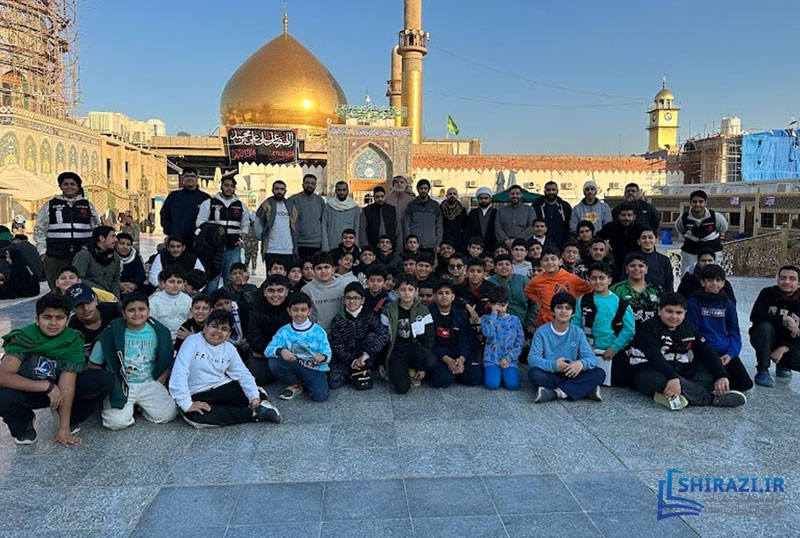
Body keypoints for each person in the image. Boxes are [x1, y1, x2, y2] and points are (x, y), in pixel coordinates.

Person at [0, 294, 113, 445]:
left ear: (67, 321)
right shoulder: (24, 337)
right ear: (37, 319)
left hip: (59, 391)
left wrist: (64, 429)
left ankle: (68, 417)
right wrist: (47, 386)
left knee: (102, 380)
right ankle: (24, 423)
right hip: (28, 388)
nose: (53, 323)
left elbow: (67, 386)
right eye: (47, 317)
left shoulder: (72, 339)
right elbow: (4, 376)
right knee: (3, 395)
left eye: (59, 318)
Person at [628, 292, 746, 409]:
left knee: (710, 370)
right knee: (658, 380)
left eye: (679, 312)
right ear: (659, 311)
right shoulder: (648, 328)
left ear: (685, 314)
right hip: (648, 370)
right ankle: (712, 399)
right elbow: (655, 358)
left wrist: (721, 375)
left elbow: (707, 352)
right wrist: (672, 378)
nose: (674, 316)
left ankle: (677, 393)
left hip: (680, 369)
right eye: (669, 311)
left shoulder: (688, 328)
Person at [169, 309, 281, 428]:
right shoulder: (192, 342)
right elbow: (179, 372)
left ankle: (257, 406)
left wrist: (253, 397)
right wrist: (187, 404)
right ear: (205, 327)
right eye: (214, 326)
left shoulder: (229, 348)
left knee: (258, 394)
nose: (218, 332)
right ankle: (253, 414)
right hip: (195, 392)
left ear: (228, 334)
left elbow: (242, 374)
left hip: (219, 387)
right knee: (196, 416)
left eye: (224, 329)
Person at [89, 292, 179, 430]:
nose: (137, 314)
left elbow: (166, 359)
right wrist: (108, 386)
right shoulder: (111, 333)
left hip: (148, 382)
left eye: (141, 309)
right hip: (121, 384)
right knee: (115, 423)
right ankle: (127, 409)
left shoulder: (160, 332)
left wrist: (159, 383)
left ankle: (139, 407)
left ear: (148, 311)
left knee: (168, 415)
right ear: (123, 313)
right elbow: (94, 364)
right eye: (131, 310)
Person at [685, 264, 753, 392]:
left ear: (723, 283)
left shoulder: (728, 304)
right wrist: (706, 352)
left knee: (745, 384)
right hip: (704, 351)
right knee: (704, 383)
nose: (714, 283)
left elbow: (734, 332)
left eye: (718, 280)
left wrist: (730, 354)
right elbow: (692, 332)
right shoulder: (693, 303)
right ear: (702, 282)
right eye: (710, 280)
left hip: (725, 352)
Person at [528, 292, 605, 402]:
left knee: (599, 373)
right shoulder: (542, 332)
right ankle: (584, 389)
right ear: (552, 311)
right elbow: (532, 359)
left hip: (572, 372)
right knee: (534, 374)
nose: (563, 311)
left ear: (572, 313)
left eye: (568, 308)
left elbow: (591, 358)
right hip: (551, 372)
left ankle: (556, 393)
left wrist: (580, 364)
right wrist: (554, 365)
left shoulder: (578, 332)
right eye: (559, 307)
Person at [572, 263, 635, 387]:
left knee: (620, 382)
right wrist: (584, 346)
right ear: (588, 280)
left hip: (612, 351)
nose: (598, 282)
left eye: (602, 278)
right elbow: (575, 325)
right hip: (586, 350)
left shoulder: (621, 303)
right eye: (593, 278)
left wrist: (614, 348)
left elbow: (629, 330)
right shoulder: (582, 300)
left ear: (609, 280)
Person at [34, 171, 101, 288]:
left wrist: (93, 248)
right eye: (66, 184)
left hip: (81, 254)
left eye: (72, 184)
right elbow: (40, 229)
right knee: (58, 288)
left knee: (81, 286)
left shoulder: (87, 205)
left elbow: (97, 228)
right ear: (60, 187)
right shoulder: (50, 205)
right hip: (55, 255)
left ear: (78, 187)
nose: (69, 187)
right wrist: (42, 252)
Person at [266, 292, 331, 402]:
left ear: (309, 311)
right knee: (274, 362)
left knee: (320, 396)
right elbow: (268, 350)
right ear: (289, 311)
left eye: (303, 310)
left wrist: (323, 357)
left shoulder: (318, 331)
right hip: (294, 365)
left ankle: (307, 383)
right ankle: (295, 384)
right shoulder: (284, 331)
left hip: (314, 368)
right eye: (295, 310)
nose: (299, 314)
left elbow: (327, 352)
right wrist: (280, 350)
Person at [379, 274, 436, 394]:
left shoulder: (423, 310)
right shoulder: (388, 309)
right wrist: (381, 362)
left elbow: (429, 337)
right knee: (402, 389)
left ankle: (414, 368)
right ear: (397, 292)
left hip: (414, 347)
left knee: (430, 360)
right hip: (396, 349)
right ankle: (402, 370)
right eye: (403, 289)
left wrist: (422, 368)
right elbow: (382, 336)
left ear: (416, 292)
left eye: (410, 289)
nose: (407, 293)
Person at [329, 282, 390, 390]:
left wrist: (367, 354)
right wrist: (352, 361)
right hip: (347, 358)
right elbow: (337, 345)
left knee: (372, 336)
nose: (352, 301)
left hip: (365, 356)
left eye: (356, 298)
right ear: (344, 300)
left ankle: (363, 368)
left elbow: (384, 334)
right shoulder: (337, 320)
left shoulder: (369, 315)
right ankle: (354, 370)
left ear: (362, 300)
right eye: (348, 298)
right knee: (334, 382)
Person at [195, 176, 251, 289]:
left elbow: (245, 224)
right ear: (221, 186)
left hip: (233, 247)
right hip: (214, 248)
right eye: (226, 185)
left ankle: (230, 299)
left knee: (232, 278)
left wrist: (243, 236)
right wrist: (213, 228)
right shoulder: (209, 203)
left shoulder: (241, 206)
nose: (229, 188)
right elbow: (199, 222)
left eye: (232, 186)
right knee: (213, 277)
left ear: (235, 188)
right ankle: (210, 299)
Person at [749, 265, 800, 387]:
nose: (786, 282)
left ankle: (783, 363)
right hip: (766, 338)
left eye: (792, 279)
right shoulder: (768, 293)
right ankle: (763, 369)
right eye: (783, 278)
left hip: (790, 344)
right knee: (764, 327)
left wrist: (785, 348)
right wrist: (784, 318)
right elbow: (755, 316)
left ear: (799, 283)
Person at [429, 280, 483, 388]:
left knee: (475, 378)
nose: (444, 296)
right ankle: (451, 372)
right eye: (440, 293)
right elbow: (430, 343)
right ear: (435, 297)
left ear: (453, 297)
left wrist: (461, 360)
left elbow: (465, 340)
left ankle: (457, 370)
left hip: (459, 353)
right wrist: (448, 360)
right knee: (442, 380)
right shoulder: (428, 314)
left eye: (447, 293)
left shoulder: (461, 314)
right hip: (440, 355)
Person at [524, 246, 592, 327]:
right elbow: (528, 290)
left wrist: (576, 297)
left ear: (560, 261)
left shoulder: (572, 278)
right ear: (541, 263)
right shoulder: (537, 280)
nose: (549, 262)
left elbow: (589, 288)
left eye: (553, 259)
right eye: (546, 260)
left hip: (568, 322)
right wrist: (540, 301)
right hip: (544, 323)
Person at [247, 275, 292, 386]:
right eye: (271, 291)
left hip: (289, 350)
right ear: (264, 292)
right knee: (259, 378)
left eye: (280, 290)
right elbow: (254, 338)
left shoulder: (293, 307)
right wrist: (274, 351)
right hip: (264, 350)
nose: (275, 295)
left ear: (287, 292)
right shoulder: (256, 308)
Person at [301, 251, 357, 332]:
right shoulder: (306, 290)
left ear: (333, 269)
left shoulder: (344, 285)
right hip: (318, 333)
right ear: (314, 270)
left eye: (326, 267)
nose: (323, 271)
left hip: (342, 332)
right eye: (319, 268)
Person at [675, 189, 729, 273]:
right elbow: (680, 229)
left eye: (701, 202)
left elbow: (723, 228)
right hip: (690, 251)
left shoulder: (716, 217)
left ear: (705, 203)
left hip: (713, 249)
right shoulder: (683, 218)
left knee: (713, 274)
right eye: (694, 202)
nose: (697, 204)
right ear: (690, 203)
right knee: (689, 274)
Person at [66, 283, 122, 360]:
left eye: (88, 302)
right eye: (79, 305)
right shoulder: (71, 328)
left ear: (95, 299)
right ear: (72, 308)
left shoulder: (116, 310)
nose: (85, 308)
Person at [481, 286, 524, 390]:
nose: (500, 308)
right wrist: (493, 315)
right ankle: (493, 373)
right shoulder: (486, 319)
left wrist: (509, 358)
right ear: (490, 304)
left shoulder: (515, 320)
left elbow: (520, 341)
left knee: (513, 385)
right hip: (492, 358)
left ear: (507, 304)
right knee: (492, 384)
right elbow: (488, 333)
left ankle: (504, 374)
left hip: (509, 359)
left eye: (503, 305)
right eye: (496, 305)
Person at [160, 167, 210, 251]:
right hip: (177, 240)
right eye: (187, 176)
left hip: (197, 240)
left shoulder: (205, 198)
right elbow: (164, 214)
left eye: (192, 176)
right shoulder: (174, 197)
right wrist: (170, 231)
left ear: (197, 178)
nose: (190, 178)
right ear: (182, 178)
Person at [487, 254, 537, 336]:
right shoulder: (489, 283)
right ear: (495, 269)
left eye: (507, 264)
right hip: (499, 329)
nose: (504, 267)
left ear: (512, 268)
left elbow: (533, 304)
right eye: (500, 264)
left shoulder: (523, 280)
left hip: (524, 326)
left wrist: (530, 323)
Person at [610, 253, 662, 328]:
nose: (637, 268)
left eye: (641, 266)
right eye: (632, 266)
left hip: (652, 332)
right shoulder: (616, 289)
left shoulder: (657, 290)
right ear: (626, 269)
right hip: (625, 332)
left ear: (646, 269)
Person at [256, 179, 298, 270]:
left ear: (285, 191)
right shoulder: (266, 205)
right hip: (271, 249)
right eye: (277, 189)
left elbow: (295, 224)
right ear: (272, 190)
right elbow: (258, 220)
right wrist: (261, 236)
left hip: (288, 250)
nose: (279, 191)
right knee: (272, 276)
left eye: (282, 189)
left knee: (287, 276)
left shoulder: (290, 206)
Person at [72, 225, 121, 299]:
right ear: (102, 238)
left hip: (108, 298)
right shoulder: (84, 255)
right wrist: (102, 292)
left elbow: (115, 280)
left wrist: (115, 299)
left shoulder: (115, 256)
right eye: (112, 236)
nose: (116, 240)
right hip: (88, 297)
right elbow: (77, 279)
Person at [598, 202, 644, 274]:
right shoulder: (610, 227)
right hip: (616, 264)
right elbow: (597, 237)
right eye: (623, 215)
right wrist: (604, 243)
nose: (626, 218)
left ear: (634, 217)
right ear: (619, 216)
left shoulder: (641, 228)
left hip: (635, 264)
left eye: (629, 215)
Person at [149, 266, 192, 343]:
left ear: (184, 284)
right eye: (172, 282)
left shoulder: (188, 300)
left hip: (182, 339)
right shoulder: (154, 301)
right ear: (163, 283)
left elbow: (191, 319)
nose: (175, 285)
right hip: (160, 338)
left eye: (179, 282)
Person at [289, 174, 327, 258]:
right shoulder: (293, 200)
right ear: (302, 184)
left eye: (313, 183)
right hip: (299, 243)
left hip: (316, 243)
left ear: (315, 185)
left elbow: (323, 221)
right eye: (307, 183)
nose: (310, 185)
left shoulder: (320, 201)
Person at [403, 179, 442, 252]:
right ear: (418, 189)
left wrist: (438, 243)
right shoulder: (411, 205)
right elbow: (406, 224)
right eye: (421, 188)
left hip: (431, 244)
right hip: (414, 244)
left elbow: (439, 226)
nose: (423, 190)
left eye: (425, 188)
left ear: (428, 190)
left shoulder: (435, 206)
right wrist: (407, 241)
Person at [630, 227, 673, 291]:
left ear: (656, 240)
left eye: (650, 237)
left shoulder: (664, 260)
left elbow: (669, 284)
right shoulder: (631, 259)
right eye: (644, 238)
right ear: (639, 241)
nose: (647, 240)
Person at [531, 181, 572, 249]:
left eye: (553, 190)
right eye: (548, 190)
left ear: (557, 191)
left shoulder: (565, 206)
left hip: (562, 242)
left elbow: (569, 223)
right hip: (542, 243)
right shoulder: (536, 206)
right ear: (544, 191)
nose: (551, 192)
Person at [322, 181, 360, 252]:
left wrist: (356, 246)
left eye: (344, 190)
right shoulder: (329, 206)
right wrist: (325, 246)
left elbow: (357, 228)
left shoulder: (354, 207)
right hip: (332, 243)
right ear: (335, 191)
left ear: (348, 191)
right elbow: (324, 226)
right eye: (339, 190)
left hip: (349, 246)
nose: (341, 192)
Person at [495, 185, 535, 250]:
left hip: (523, 245)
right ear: (509, 195)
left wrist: (518, 240)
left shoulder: (529, 210)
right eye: (512, 194)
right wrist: (505, 240)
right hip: (504, 246)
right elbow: (497, 227)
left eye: (517, 194)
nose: (515, 196)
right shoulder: (501, 210)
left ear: (521, 195)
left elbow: (531, 226)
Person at [360, 185, 398, 250]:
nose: (380, 199)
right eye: (377, 197)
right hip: (372, 247)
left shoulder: (392, 210)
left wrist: (398, 247)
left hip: (390, 247)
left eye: (382, 196)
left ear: (385, 196)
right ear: (374, 197)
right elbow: (362, 230)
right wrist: (366, 247)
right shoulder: (367, 211)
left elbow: (398, 229)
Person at [385, 175, 416, 243]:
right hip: (392, 229)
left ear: (406, 184)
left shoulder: (412, 199)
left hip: (408, 229)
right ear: (393, 185)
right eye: (397, 182)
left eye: (402, 182)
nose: (399, 184)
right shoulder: (387, 199)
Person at [466, 187, 498, 252]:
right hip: (476, 248)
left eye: (486, 198)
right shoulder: (473, 213)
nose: (483, 200)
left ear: (490, 199)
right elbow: (468, 231)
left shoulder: (496, 213)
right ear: (478, 200)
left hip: (491, 246)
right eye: (481, 198)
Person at [116, 232, 146, 296]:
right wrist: (118, 285)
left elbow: (140, 274)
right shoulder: (110, 256)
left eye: (128, 244)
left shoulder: (135, 257)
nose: (125, 247)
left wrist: (133, 285)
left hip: (131, 287)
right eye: (121, 244)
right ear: (115, 244)